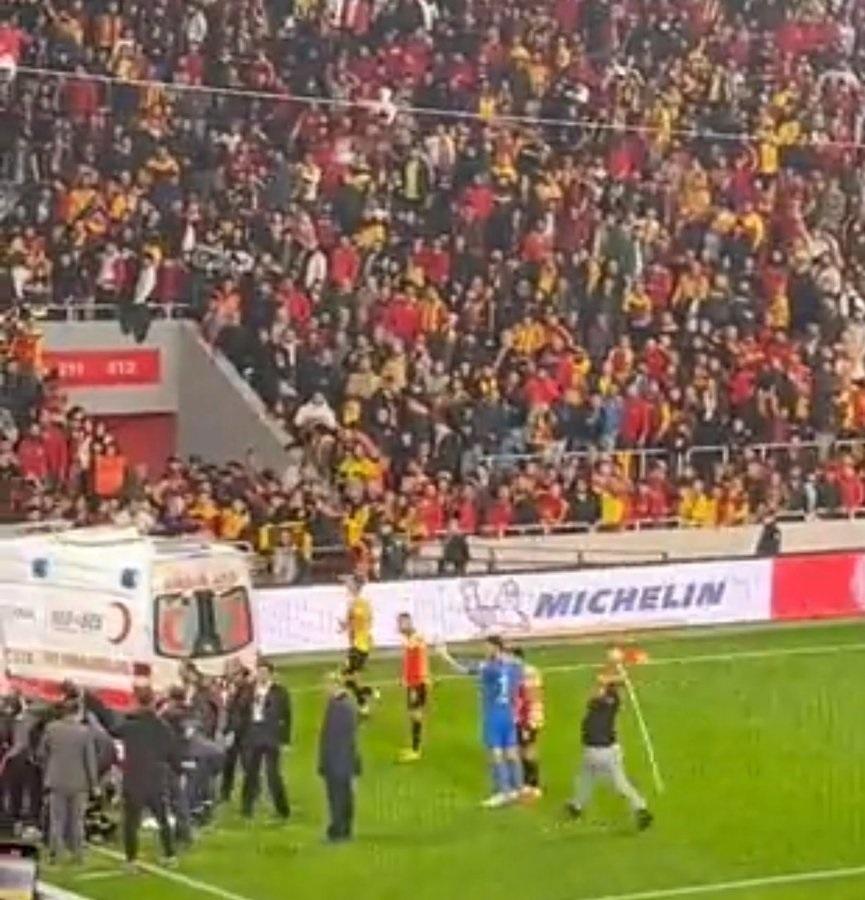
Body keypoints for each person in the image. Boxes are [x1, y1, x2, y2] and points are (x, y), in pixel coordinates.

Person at [439, 636, 524, 807]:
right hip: (509, 714)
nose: (485, 650)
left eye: (487, 647)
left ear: (495, 648)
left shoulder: (489, 668)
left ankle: (502, 792)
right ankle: (517, 789)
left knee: (496, 754)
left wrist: (444, 656)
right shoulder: (515, 665)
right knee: (512, 753)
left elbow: (464, 669)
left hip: (493, 715)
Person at [566, 667, 653, 831]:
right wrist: (610, 679)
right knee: (586, 778)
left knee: (619, 783)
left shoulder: (607, 701)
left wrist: (610, 680)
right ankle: (576, 806)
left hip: (603, 750)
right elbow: (601, 685)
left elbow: (601, 686)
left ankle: (641, 808)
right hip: (595, 749)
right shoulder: (604, 700)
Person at [118, 686, 179, 869]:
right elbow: (172, 753)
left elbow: (112, 729)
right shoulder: (163, 727)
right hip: (155, 779)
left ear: (136, 701)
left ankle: (131, 860)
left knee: (131, 822)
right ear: (153, 702)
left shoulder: (129, 726)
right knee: (162, 818)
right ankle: (170, 854)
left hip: (134, 779)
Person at [39, 698, 98, 864]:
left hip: (56, 779)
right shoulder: (85, 732)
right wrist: (94, 784)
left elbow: (41, 754)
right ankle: (78, 855)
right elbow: (90, 760)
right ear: (78, 712)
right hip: (79, 782)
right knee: (77, 821)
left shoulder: (51, 728)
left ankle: (55, 855)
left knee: (57, 820)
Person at [240, 661, 291, 821]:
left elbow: (287, 715)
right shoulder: (249, 690)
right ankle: (247, 807)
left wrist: (285, 739)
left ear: (270, 674)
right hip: (253, 734)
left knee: (273, 774)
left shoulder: (279, 691)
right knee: (251, 773)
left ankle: (282, 809)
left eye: (265, 672)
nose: (261, 675)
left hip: (271, 735)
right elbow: (241, 709)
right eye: (259, 672)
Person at [317, 677, 361, 843]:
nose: (325, 689)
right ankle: (341, 829)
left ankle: (339, 830)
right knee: (342, 797)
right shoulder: (341, 704)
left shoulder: (340, 706)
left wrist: (329, 761)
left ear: (335, 685)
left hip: (338, 761)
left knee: (338, 797)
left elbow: (338, 738)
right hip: (340, 760)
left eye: (327, 685)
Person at [339, 576, 375, 716]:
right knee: (350, 677)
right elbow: (351, 622)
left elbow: (364, 620)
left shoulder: (361, 603)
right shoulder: (353, 603)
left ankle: (364, 701)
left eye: (350, 585)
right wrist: (345, 626)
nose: (347, 587)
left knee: (347, 676)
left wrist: (351, 621)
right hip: (356, 644)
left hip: (362, 644)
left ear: (356, 587)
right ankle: (367, 694)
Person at [396, 613, 430, 762]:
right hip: (413, 682)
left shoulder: (416, 638)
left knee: (416, 714)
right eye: (399, 623)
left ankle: (416, 750)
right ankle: (414, 747)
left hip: (417, 682)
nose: (400, 626)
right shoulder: (411, 639)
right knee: (413, 713)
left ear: (409, 622)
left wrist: (419, 680)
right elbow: (410, 661)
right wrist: (404, 678)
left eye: (402, 623)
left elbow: (418, 661)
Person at [512, 647, 544, 798]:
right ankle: (527, 782)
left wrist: (525, 722)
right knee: (522, 749)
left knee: (528, 750)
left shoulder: (526, 674)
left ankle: (535, 784)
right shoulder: (526, 672)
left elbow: (529, 698)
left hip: (529, 717)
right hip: (525, 716)